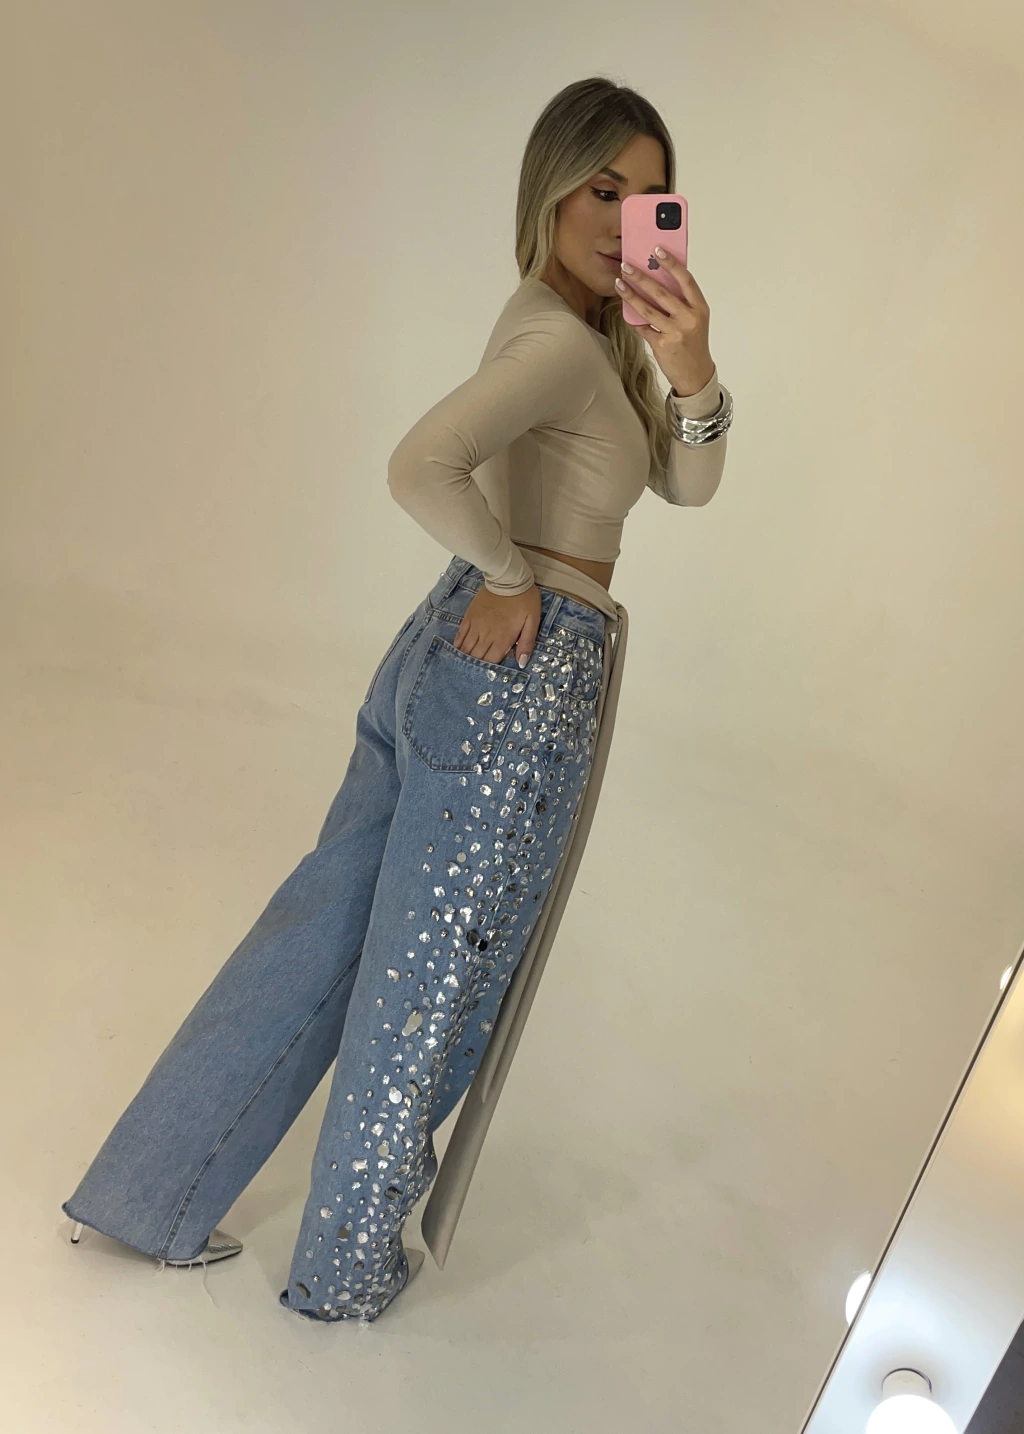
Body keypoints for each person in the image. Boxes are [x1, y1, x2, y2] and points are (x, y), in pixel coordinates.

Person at [61, 75, 733, 1324]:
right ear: (550, 186)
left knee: (319, 932)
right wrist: (509, 575)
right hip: (522, 669)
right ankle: (346, 1271)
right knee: (429, 988)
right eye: (601, 188)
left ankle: (147, 1194)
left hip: (451, 653)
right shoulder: (558, 342)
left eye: (650, 197)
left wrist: (689, 375)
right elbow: (420, 464)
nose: (623, 218)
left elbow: (689, 486)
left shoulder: (567, 328)